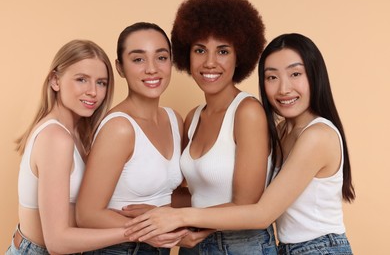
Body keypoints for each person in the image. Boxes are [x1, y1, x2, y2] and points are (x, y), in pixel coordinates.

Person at [124, 33, 356, 254]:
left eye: (295, 74)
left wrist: (180, 218)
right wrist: (153, 208)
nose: (284, 88)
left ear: (315, 75)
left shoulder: (317, 136)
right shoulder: (283, 130)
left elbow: (261, 213)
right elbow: (211, 194)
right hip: (287, 247)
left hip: (319, 248)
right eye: (272, 77)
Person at [123, 0, 277, 254]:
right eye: (200, 50)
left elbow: (245, 204)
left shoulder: (247, 112)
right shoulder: (192, 118)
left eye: (223, 51)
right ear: (187, 55)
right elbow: (195, 194)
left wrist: (177, 218)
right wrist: (149, 206)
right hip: (192, 243)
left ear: (240, 56)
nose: (210, 62)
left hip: (240, 245)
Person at [6, 39, 133, 254]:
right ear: (55, 80)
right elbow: (57, 242)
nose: (93, 91)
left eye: (101, 82)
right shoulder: (55, 138)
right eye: (82, 79)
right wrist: (136, 232)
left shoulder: (78, 134)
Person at [75, 22, 188, 254]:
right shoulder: (120, 127)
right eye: (138, 59)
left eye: (161, 57)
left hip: (156, 246)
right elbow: (87, 215)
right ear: (120, 68)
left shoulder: (174, 119)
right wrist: (153, 229)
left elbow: (173, 195)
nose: (152, 69)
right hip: (118, 248)